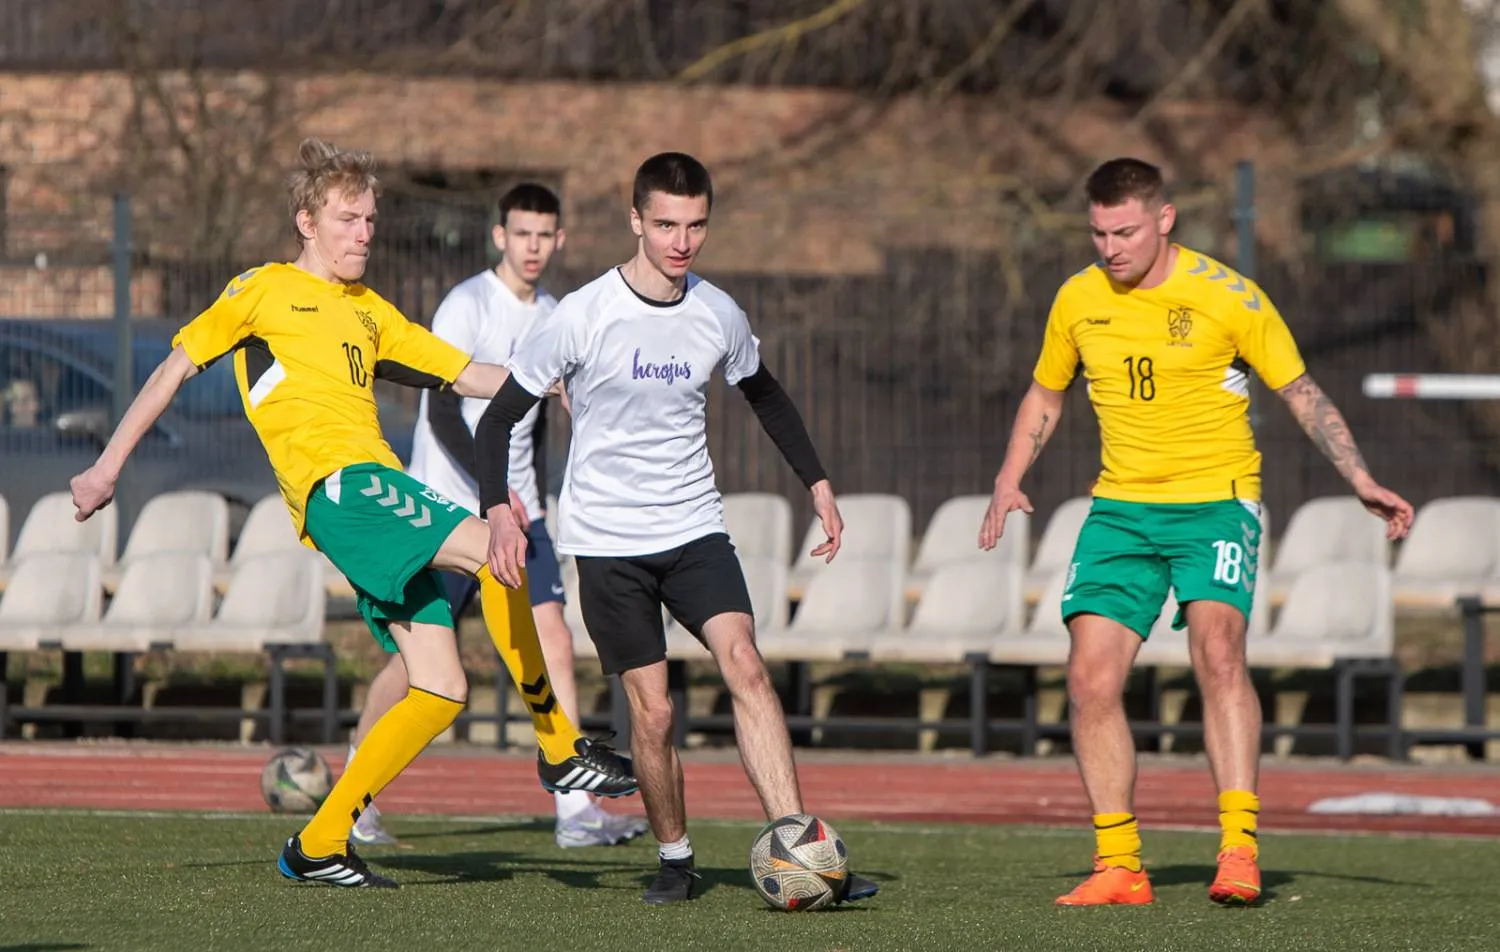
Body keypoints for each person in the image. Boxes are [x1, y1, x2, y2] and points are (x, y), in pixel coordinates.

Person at [68, 138, 636, 890]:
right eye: (348, 219)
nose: (364, 233)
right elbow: (174, 366)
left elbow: (466, 373)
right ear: (307, 222)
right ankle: (559, 747)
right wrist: (106, 467)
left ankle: (319, 843)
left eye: (370, 219)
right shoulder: (263, 290)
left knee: (442, 689)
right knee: (495, 546)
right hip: (344, 489)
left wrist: (546, 379)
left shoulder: (370, 310)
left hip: (376, 494)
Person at [978, 157, 1415, 907]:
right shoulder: (1078, 297)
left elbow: (1301, 392)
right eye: (1098, 233)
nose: (1110, 248)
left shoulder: (1229, 296)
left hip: (1217, 502)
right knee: (1089, 680)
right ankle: (1119, 865)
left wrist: (1360, 478)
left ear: (1164, 219)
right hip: (1120, 509)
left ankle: (1238, 849)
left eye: (1124, 232)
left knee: (1217, 653)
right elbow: (1046, 394)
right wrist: (1008, 477)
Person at [475, 152, 879, 906]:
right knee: (654, 712)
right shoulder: (582, 315)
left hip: (693, 527)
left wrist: (818, 483)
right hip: (607, 542)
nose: (681, 241)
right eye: (665, 224)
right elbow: (497, 419)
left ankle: (804, 850)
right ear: (636, 221)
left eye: (695, 225)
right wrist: (497, 507)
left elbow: (766, 395)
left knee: (746, 665)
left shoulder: (718, 312)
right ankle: (675, 858)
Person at [348, 182, 648, 850]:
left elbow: (534, 426)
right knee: (415, 665)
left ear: (558, 239)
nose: (532, 247)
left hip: (520, 514)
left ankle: (575, 811)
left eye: (544, 235)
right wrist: (494, 491)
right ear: (499, 237)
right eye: (521, 234)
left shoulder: (557, 314)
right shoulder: (468, 304)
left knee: (555, 641)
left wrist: (531, 498)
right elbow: (441, 410)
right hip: (445, 513)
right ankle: (356, 786)